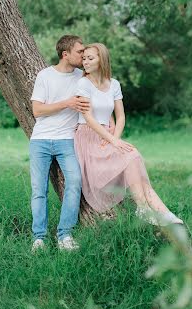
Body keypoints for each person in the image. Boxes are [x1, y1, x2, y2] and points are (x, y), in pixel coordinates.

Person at [74, 43, 183, 227]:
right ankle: (147, 209)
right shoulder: (83, 83)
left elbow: (121, 116)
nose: (85, 62)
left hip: (108, 134)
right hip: (88, 136)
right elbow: (89, 119)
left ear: (102, 59)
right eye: (84, 58)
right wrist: (112, 141)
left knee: (132, 156)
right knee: (131, 156)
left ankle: (160, 212)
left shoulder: (114, 84)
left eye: (90, 58)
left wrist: (114, 138)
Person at [29, 34, 90, 251]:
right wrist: (67, 103)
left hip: (67, 141)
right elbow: (37, 110)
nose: (83, 55)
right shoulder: (45, 76)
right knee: (39, 189)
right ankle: (39, 238)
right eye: (79, 52)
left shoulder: (83, 77)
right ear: (66, 54)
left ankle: (64, 235)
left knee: (74, 182)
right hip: (41, 140)